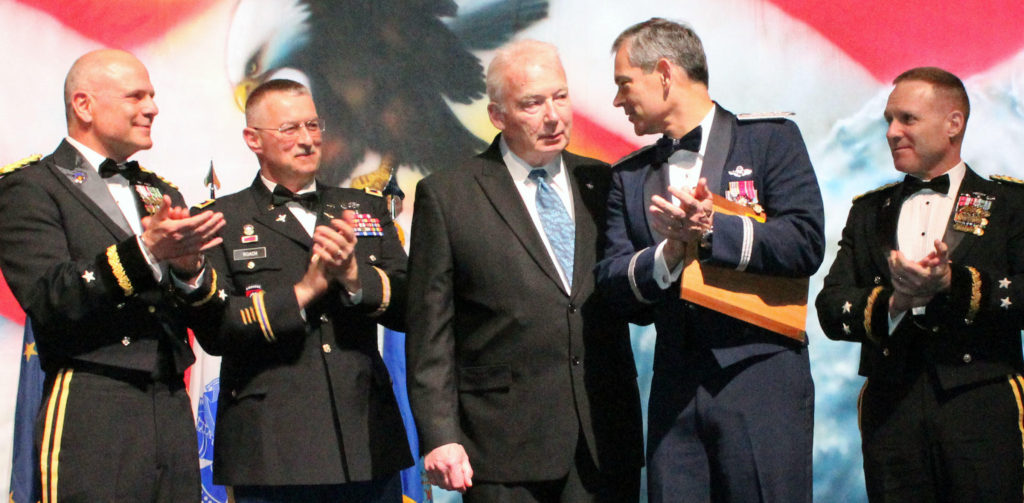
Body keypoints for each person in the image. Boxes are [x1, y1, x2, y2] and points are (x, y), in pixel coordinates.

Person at [595, 18, 825, 503]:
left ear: (663, 72)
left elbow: (805, 242)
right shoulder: (629, 177)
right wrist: (671, 255)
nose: (617, 101)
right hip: (673, 387)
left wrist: (713, 229)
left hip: (760, 374)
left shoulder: (769, 139)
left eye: (623, 84)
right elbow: (613, 283)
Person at [405, 40, 643, 502]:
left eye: (560, 96)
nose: (553, 116)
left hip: (603, 440)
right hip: (501, 449)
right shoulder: (448, 196)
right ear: (498, 116)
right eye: (532, 103)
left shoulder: (605, 183)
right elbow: (431, 332)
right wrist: (439, 434)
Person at [0, 49, 225, 502]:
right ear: (84, 105)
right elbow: (49, 297)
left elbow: (207, 324)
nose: (153, 108)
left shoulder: (161, 192)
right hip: (92, 400)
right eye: (136, 96)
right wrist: (146, 252)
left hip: (170, 401)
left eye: (153, 96)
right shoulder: (31, 187)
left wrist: (189, 270)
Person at [178, 79, 412, 502]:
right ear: (253, 139)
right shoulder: (220, 220)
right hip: (272, 448)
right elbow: (216, 330)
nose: (307, 140)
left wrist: (357, 279)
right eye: (289, 129)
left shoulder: (365, 208)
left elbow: (412, 307)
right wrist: (303, 292)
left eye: (313, 125)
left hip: (366, 440)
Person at [816, 67, 1024, 502]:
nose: (892, 132)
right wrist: (895, 301)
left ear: (954, 124)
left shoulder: (1010, 205)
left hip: (980, 402)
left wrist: (954, 282)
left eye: (907, 119)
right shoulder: (868, 211)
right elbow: (831, 307)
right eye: (888, 120)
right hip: (890, 406)